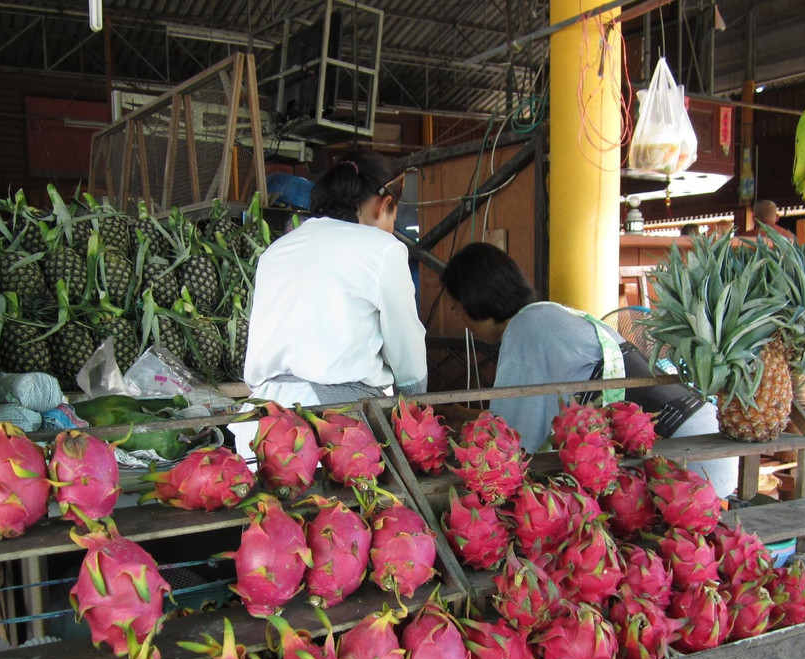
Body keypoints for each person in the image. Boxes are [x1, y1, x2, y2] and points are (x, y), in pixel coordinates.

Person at [438, 242, 737, 497]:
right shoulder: (552, 315)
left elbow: (511, 440)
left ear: (474, 299)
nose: (458, 317)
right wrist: (459, 413)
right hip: (707, 439)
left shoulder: (525, 329)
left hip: (684, 463)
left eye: (455, 307)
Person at [243, 151, 428, 407]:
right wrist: (415, 402)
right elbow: (407, 351)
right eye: (391, 218)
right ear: (383, 204)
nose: (391, 228)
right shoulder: (383, 248)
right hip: (333, 424)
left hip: (261, 417)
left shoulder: (275, 250)